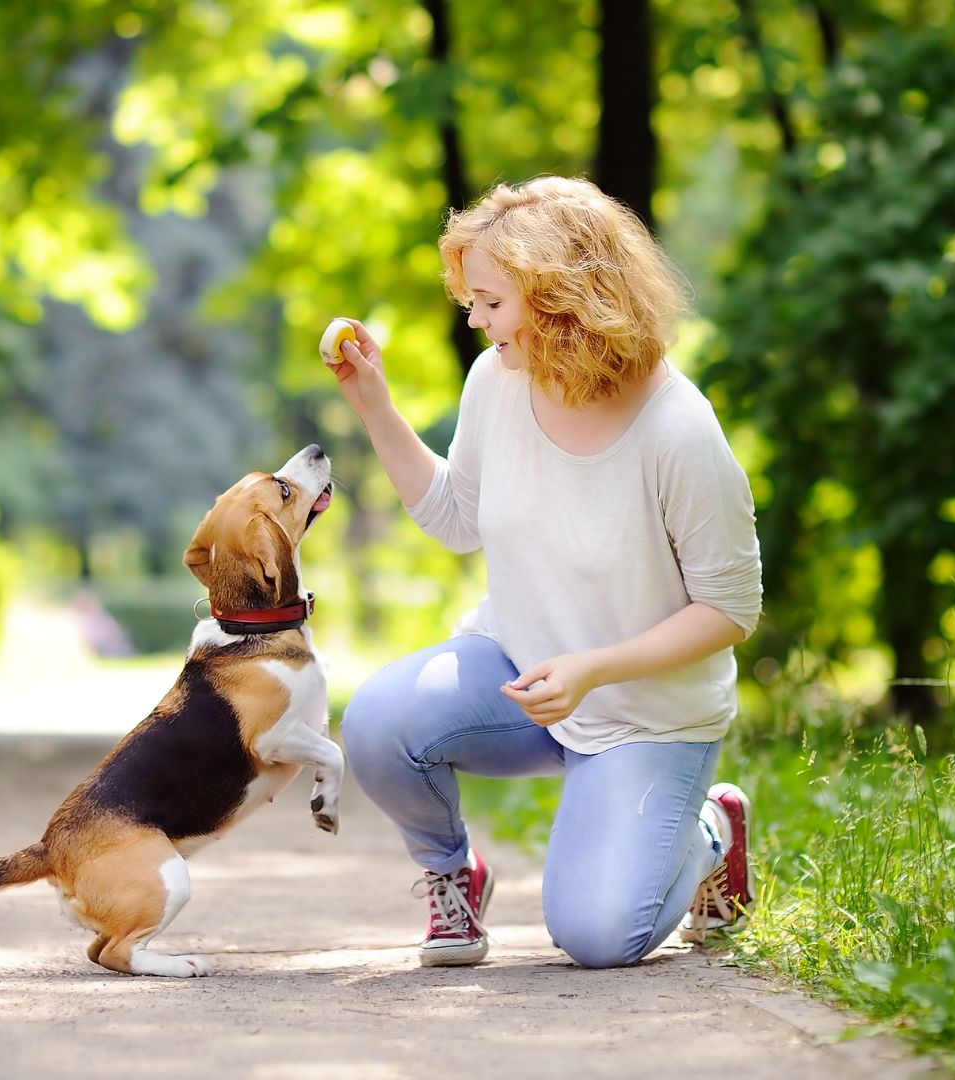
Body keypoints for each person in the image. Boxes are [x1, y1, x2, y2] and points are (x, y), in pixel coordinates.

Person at [320, 176, 762, 969]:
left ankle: (709, 832)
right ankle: (452, 874)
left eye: (491, 301)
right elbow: (456, 518)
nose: (475, 320)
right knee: (378, 724)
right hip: (519, 673)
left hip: (645, 712)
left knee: (598, 938)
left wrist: (593, 669)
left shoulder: (679, 430)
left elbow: (730, 610)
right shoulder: (497, 380)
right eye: (471, 301)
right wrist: (374, 407)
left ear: (561, 301)